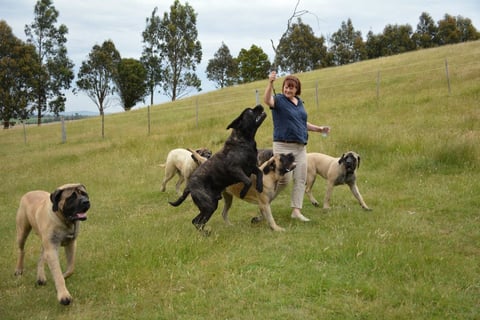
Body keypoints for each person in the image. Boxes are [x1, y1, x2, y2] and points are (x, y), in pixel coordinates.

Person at [263, 71, 330, 221]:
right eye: (286, 87)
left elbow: (301, 123)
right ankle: (264, 202)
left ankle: (296, 211)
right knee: (284, 180)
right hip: (283, 147)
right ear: (283, 87)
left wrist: (319, 129)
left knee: (300, 178)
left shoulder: (299, 103)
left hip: (300, 148)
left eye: (291, 88)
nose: (288, 90)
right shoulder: (279, 100)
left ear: (297, 89)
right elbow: (267, 100)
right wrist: (270, 83)